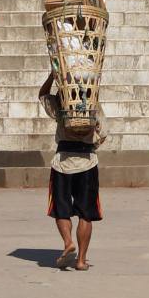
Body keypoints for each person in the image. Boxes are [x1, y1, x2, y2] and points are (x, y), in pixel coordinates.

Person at [38, 74, 104, 271]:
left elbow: (42, 95)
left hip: (62, 163)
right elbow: (104, 133)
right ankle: (81, 260)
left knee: (61, 209)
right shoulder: (93, 105)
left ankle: (68, 242)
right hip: (87, 162)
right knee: (86, 214)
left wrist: (52, 76)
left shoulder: (61, 105)